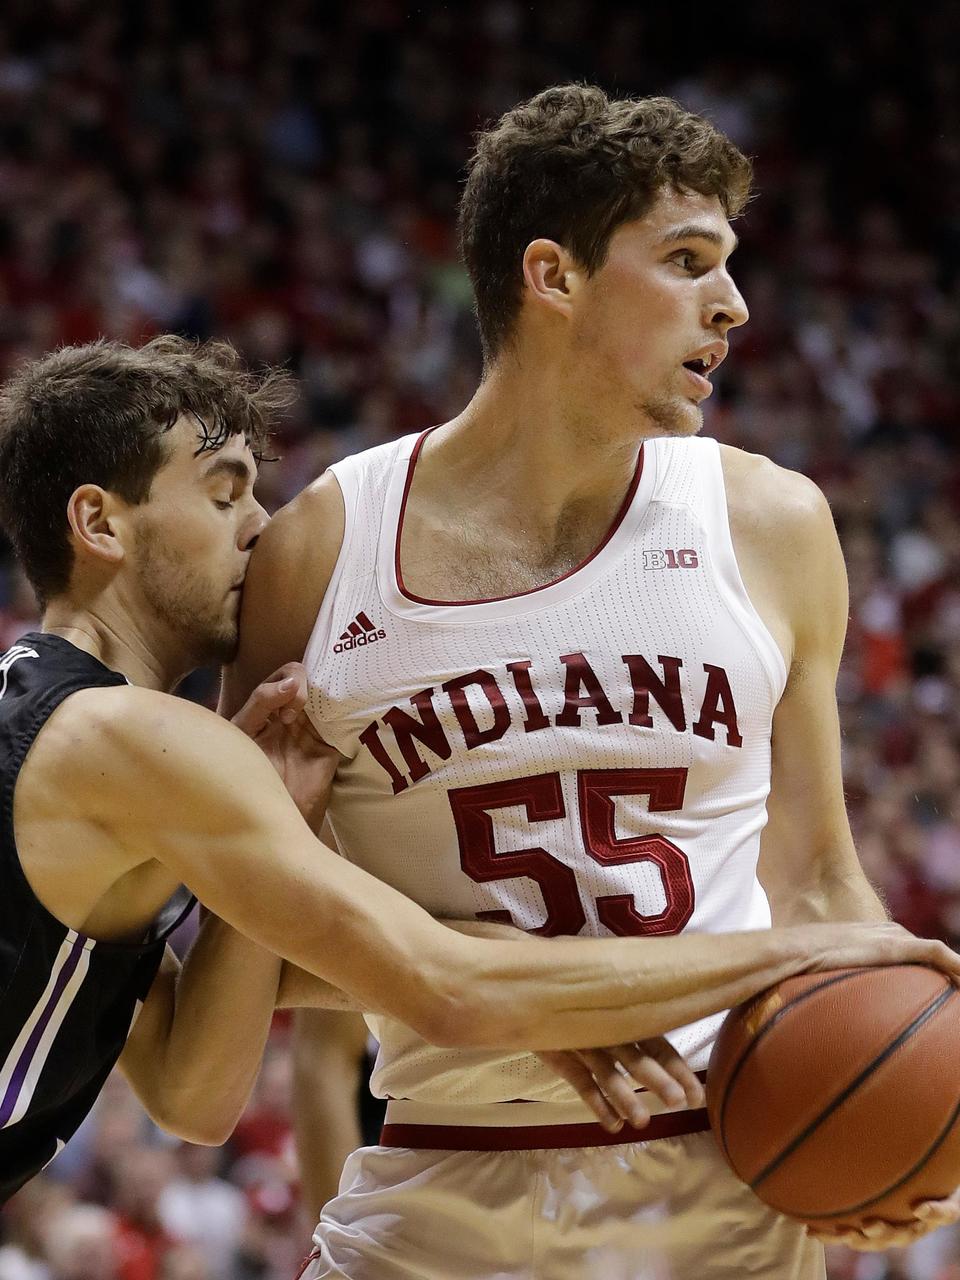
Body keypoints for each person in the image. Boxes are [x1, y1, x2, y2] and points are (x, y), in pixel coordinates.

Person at [221, 86, 960, 1278]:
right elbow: (237, 943)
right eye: (686, 261)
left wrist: (906, 1129)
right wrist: (505, 992)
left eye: (730, 264)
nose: (734, 304)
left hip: (722, 1189)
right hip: (432, 1192)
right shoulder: (320, 551)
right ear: (552, 275)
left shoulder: (771, 521)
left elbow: (821, 879)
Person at [0, 336, 915, 1209]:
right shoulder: (126, 737)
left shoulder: (71, 733)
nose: (261, 526)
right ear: (99, 523)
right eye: (223, 494)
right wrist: (805, 957)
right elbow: (445, 987)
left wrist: (501, 974)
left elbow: (191, 1091)